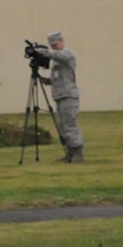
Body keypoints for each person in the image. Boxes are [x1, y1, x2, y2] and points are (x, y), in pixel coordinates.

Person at [46, 31, 83, 163]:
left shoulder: (67, 53)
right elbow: (56, 78)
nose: (53, 47)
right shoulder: (56, 61)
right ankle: (69, 152)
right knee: (62, 126)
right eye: (51, 45)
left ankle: (77, 153)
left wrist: (44, 52)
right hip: (59, 96)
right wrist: (45, 80)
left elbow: (59, 56)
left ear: (61, 41)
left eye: (55, 44)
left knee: (70, 124)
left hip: (69, 95)